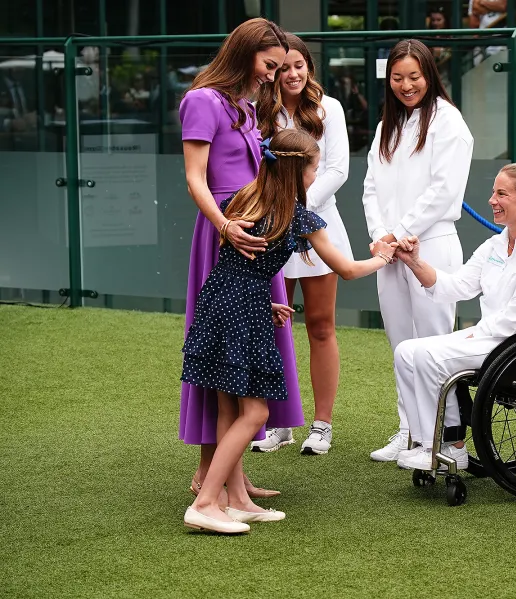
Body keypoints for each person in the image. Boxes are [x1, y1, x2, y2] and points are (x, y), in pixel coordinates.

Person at [183, 128, 397, 534]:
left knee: (229, 409)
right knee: (256, 411)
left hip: (219, 302)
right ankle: (207, 501)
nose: (316, 177)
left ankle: (238, 500)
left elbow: (235, 266)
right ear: (301, 170)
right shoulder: (298, 218)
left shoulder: (240, 198)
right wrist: (383, 257)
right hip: (243, 311)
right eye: (314, 169)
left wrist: (262, 301)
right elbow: (348, 270)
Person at [179, 18, 292, 502]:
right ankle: (213, 477)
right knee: (223, 355)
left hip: (253, 230)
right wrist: (225, 228)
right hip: (224, 234)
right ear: (246, 53)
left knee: (241, 358)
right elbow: (195, 179)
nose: (272, 75)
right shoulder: (203, 101)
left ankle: (231, 476)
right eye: (270, 64)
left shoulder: (244, 107)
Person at [390, 164, 516, 471]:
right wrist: (413, 262)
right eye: (494, 192)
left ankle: (451, 446)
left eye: (501, 193)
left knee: (428, 355)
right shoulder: (495, 244)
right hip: (492, 338)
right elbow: (456, 285)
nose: (492, 200)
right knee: (405, 351)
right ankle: (429, 443)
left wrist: (471, 334)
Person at [362, 39, 474, 462]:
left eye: (414, 76)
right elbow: (371, 187)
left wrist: (401, 233)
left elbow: (445, 190)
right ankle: (410, 430)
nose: (406, 85)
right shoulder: (389, 125)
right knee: (400, 342)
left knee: (434, 343)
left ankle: (448, 440)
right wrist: (382, 235)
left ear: (430, 74)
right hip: (389, 253)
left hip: (431, 247)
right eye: (397, 77)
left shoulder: (448, 122)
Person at [254, 33, 353, 456]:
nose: (291, 74)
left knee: (320, 325)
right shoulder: (261, 110)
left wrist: (298, 212)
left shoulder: (329, 109)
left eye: (299, 66)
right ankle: (281, 421)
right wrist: (279, 215)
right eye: (283, 67)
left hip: (318, 227)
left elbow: (338, 170)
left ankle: (322, 424)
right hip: (272, 228)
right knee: (274, 323)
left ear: (309, 68)